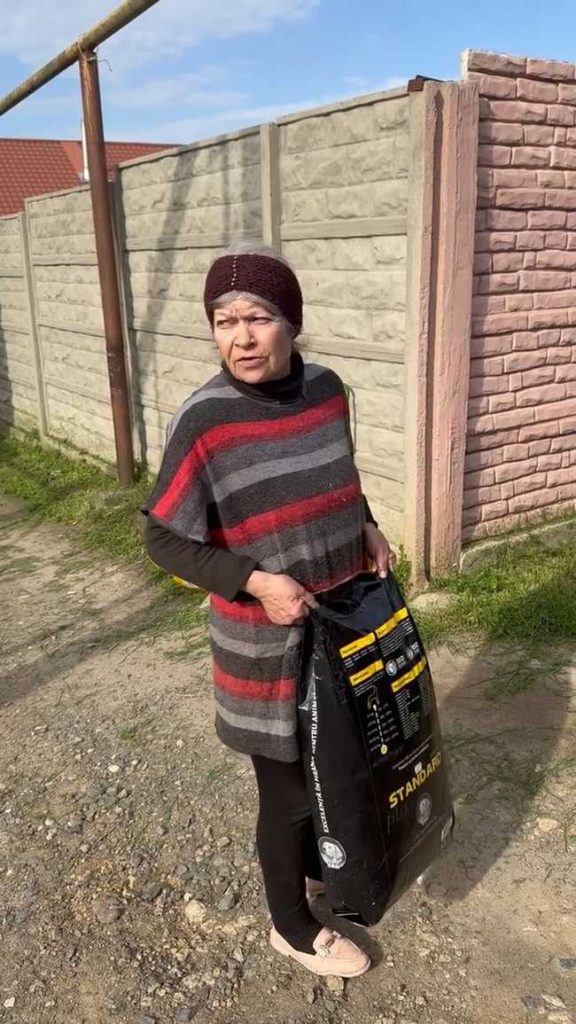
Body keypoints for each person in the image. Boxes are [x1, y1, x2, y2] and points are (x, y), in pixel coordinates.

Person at [143, 244, 396, 978]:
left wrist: (366, 523)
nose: (241, 338)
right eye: (224, 322)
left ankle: (324, 869)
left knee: (336, 766)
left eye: (258, 317)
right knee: (287, 796)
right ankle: (291, 924)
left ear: (292, 323)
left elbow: (338, 474)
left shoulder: (326, 390)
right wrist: (253, 581)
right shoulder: (206, 420)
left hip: (339, 626)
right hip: (265, 647)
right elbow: (161, 537)